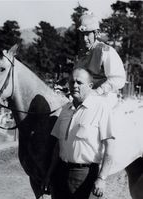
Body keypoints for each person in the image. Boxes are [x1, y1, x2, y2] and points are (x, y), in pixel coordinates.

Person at [44, 67, 115, 199]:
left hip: (85, 176)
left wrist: (102, 178)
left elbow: (110, 147)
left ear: (90, 86)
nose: (74, 85)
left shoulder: (101, 107)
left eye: (79, 82)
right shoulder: (65, 110)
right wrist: (49, 176)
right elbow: (57, 147)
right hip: (60, 173)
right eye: (71, 82)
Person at [76, 12, 126, 108]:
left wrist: (97, 91)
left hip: (104, 99)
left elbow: (118, 79)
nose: (84, 38)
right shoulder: (82, 54)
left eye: (87, 34)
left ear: (96, 33)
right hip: (84, 99)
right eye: (81, 34)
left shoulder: (106, 51)